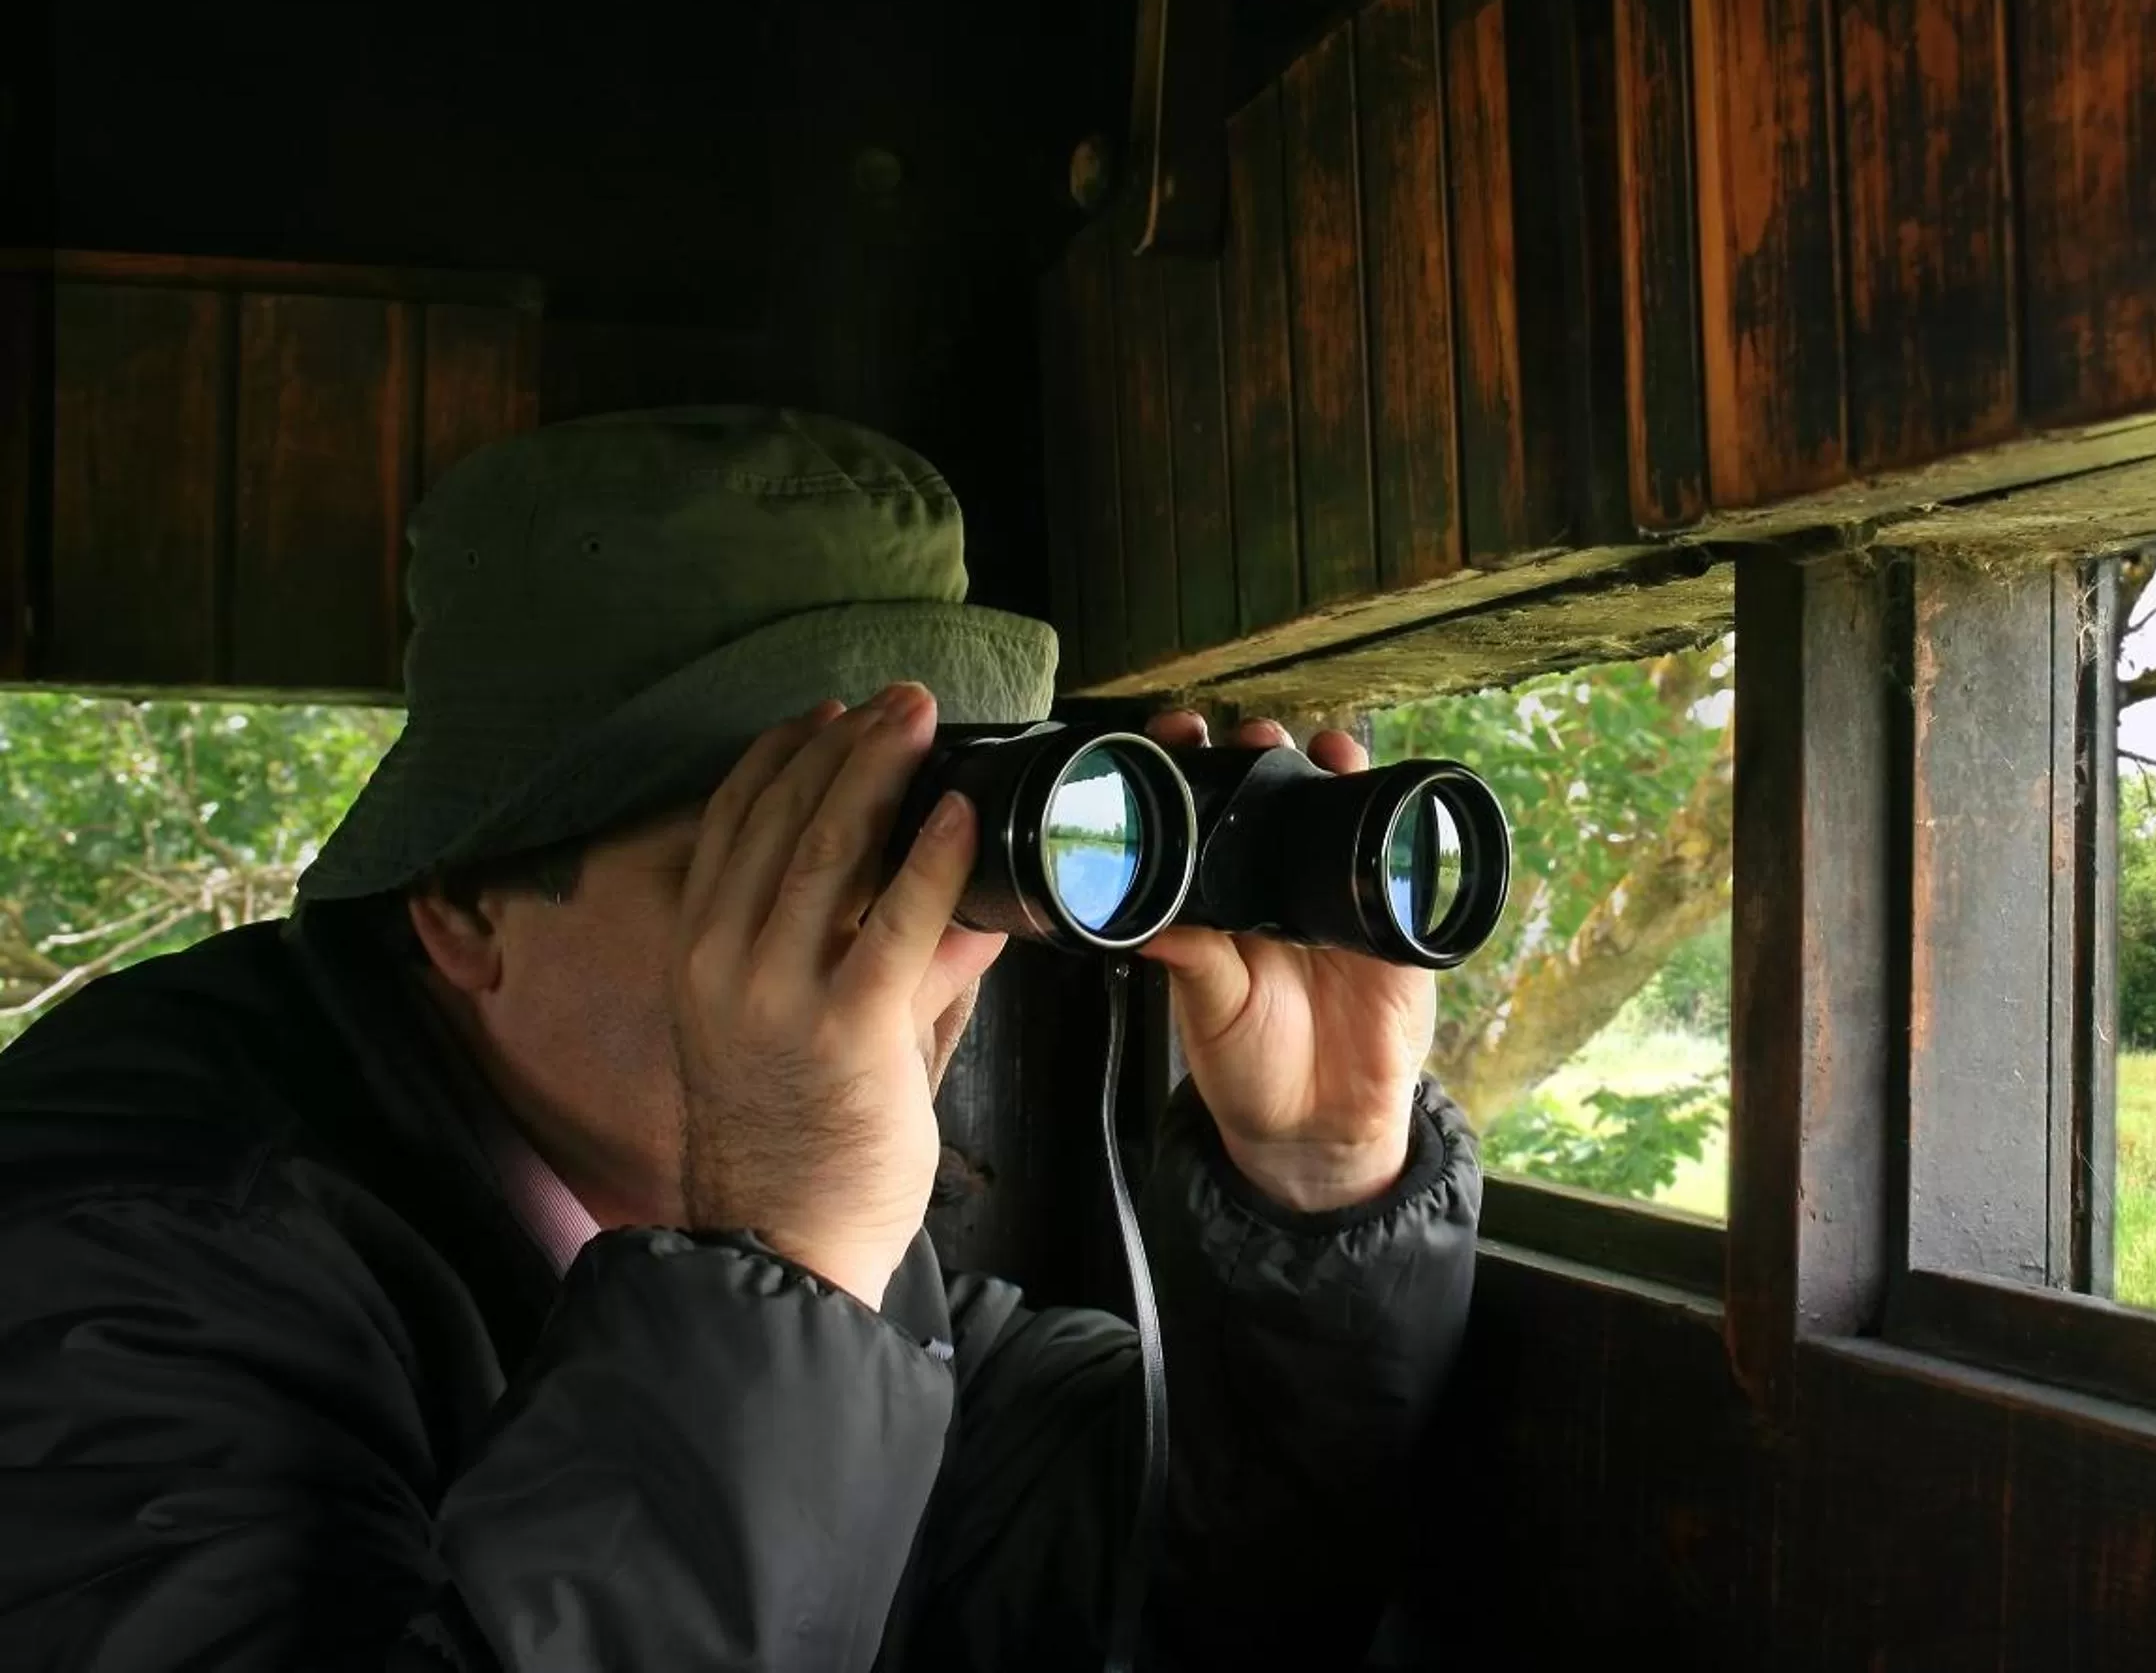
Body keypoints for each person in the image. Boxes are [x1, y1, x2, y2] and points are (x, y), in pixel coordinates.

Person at [0, 409, 1480, 1670]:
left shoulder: (752, 1186)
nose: (892, 946)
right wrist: (777, 1267)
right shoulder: (121, 1250)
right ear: (463, 906)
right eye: (781, 858)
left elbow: (1158, 1594)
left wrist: (1316, 1185)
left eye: (939, 857)